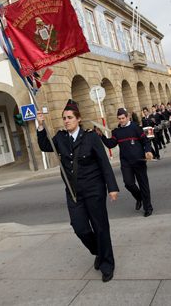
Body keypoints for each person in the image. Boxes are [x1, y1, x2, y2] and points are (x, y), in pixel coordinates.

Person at [36, 99, 119, 283]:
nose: (66, 121)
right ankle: (98, 250)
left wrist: (112, 187)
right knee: (79, 227)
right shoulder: (60, 138)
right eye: (64, 118)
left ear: (78, 119)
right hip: (73, 192)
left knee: (100, 227)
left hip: (94, 189)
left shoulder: (91, 137)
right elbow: (44, 145)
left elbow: (104, 164)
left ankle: (107, 264)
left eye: (70, 117)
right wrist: (40, 125)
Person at [96, 108, 154, 217]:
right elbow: (110, 144)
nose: (121, 120)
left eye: (123, 118)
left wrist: (148, 151)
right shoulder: (116, 132)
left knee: (143, 184)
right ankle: (139, 197)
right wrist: (101, 136)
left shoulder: (136, 128)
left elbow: (145, 141)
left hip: (139, 160)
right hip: (126, 162)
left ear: (127, 117)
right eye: (119, 119)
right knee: (128, 183)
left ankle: (148, 207)